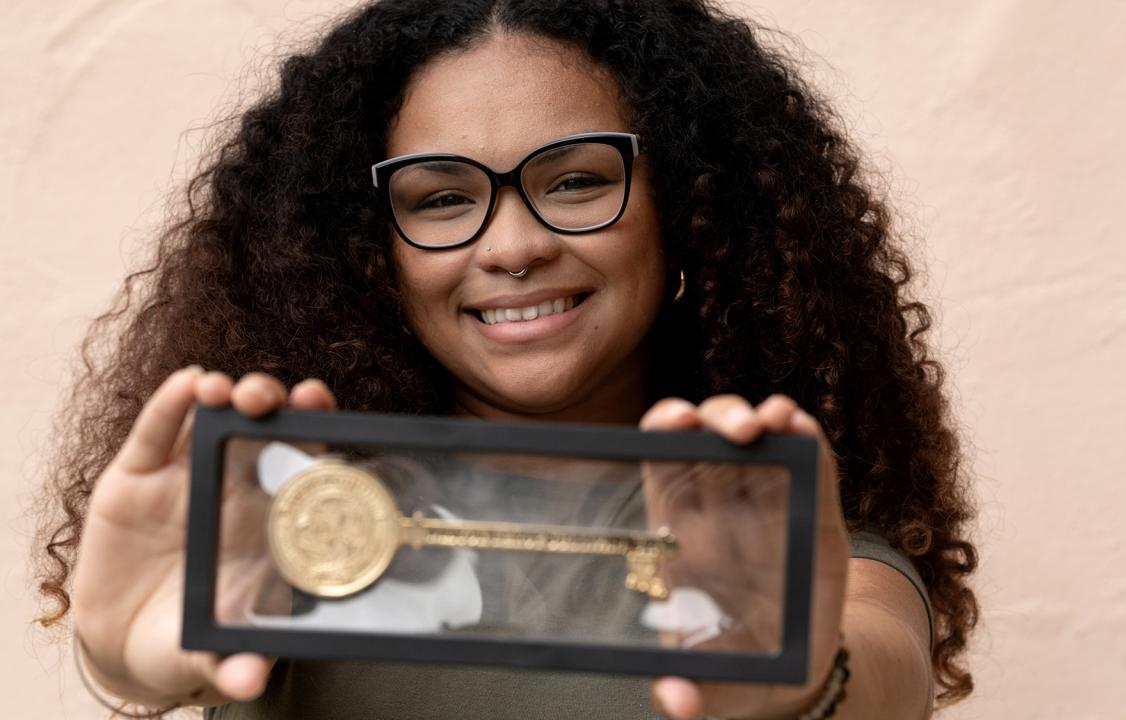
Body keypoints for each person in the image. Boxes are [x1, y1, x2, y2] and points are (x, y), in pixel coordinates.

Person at [33, 1, 978, 717]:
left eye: (576, 181)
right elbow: (154, 634)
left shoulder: (777, 538)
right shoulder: (277, 512)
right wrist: (119, 663)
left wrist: (798, 682)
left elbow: (875, 661)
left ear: (688, 208)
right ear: (370, 249)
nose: (512, 245)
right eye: (441, 199)